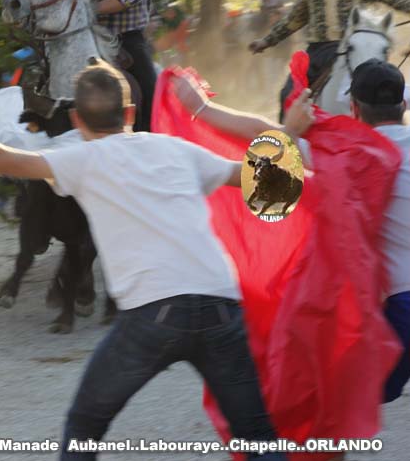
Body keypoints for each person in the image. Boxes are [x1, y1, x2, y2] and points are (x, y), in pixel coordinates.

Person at [0, 60, 317, 460]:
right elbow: (273, 188)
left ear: (76, 118)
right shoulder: (178, 151)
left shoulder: (78, 159)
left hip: (152, 319)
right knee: (259, 440)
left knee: (84, 429)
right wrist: (287, 132)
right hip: (220, 307)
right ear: (132, 112)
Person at [172, 58, 409, 407]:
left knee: (331, 406)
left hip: (398, 308)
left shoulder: (347, 153)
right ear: (404, 104)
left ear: (355, 108)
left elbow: (262, 133)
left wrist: (200, 106)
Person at [248, 0, 410, 121]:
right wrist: (267, 40)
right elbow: (296, 17)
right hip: (320, 49)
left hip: (357, 45)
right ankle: (289, 147)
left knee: (385, 86)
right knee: (288, 95)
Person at [91, 0, 157, 131]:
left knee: (150, 92)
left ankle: (148, 132)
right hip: (85, 36)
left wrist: (85, 9)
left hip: (127, 39)